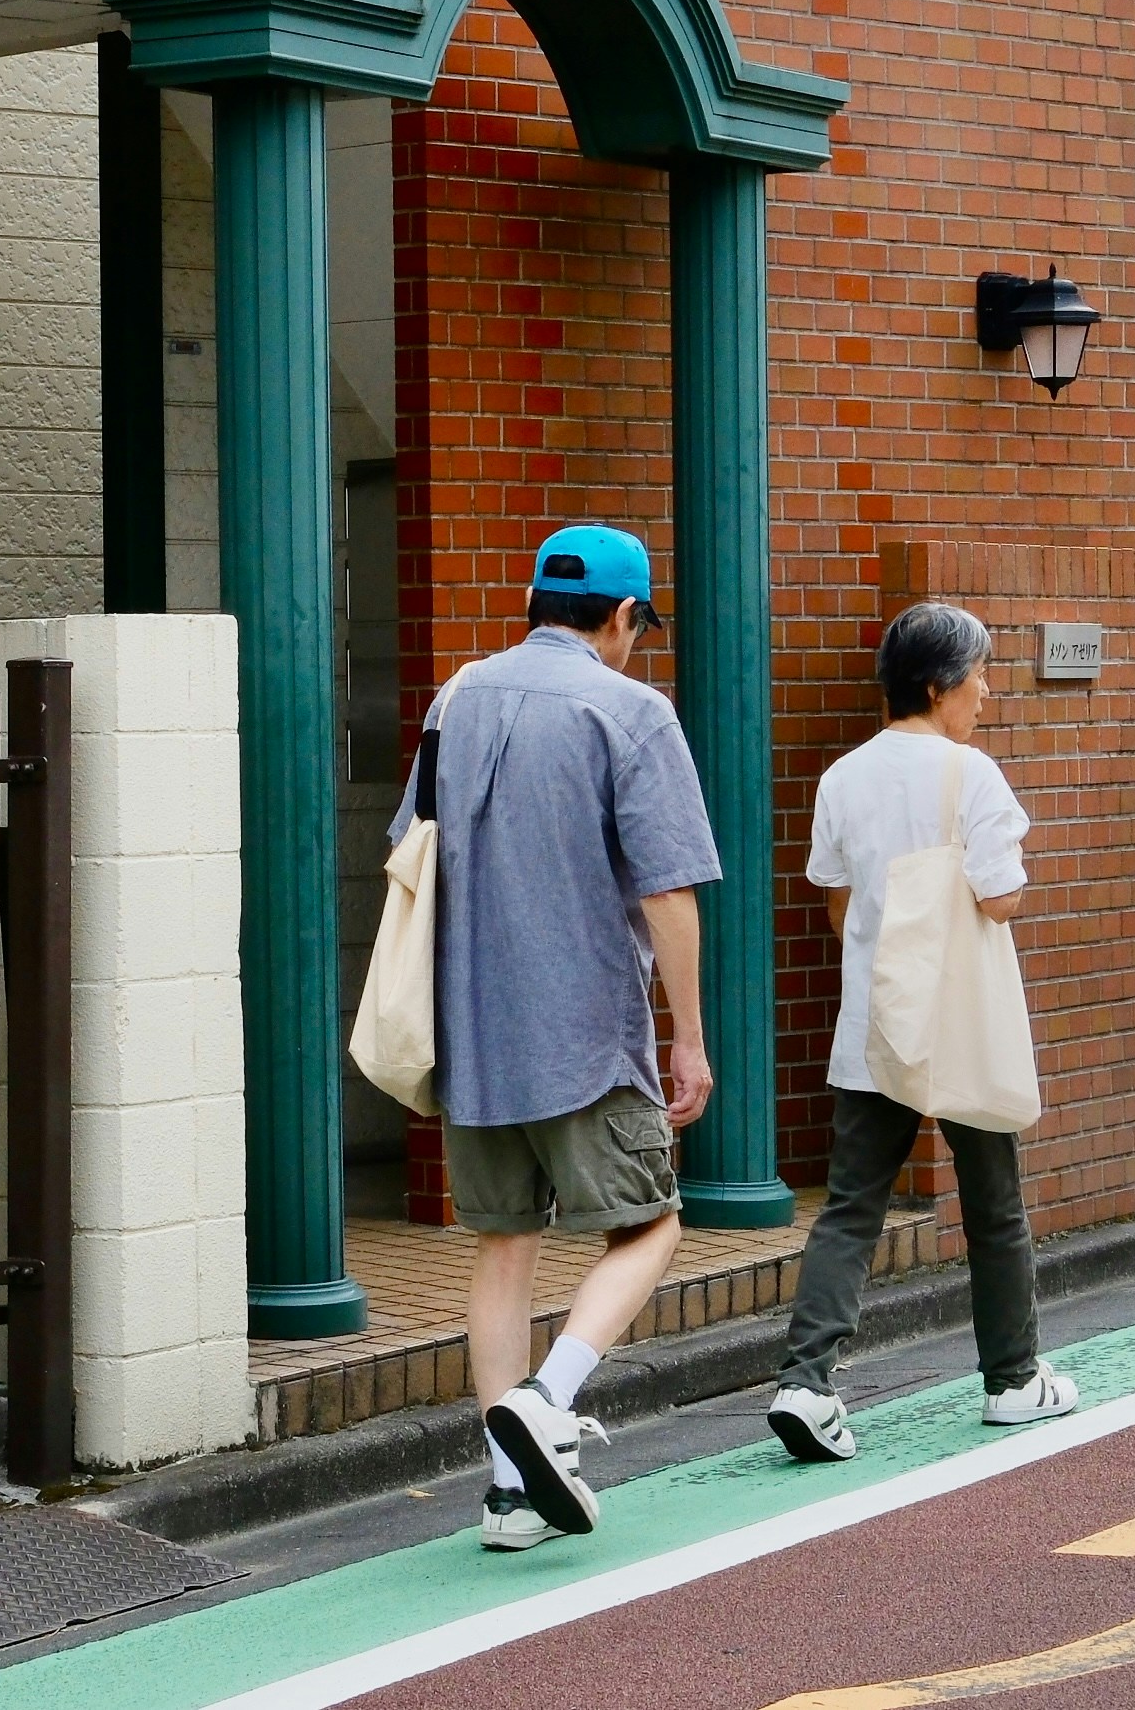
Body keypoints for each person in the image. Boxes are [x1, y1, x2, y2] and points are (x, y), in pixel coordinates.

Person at [393, 523, 722, 1551]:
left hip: (471, 1026)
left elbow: (408, 848)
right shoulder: (632, 710)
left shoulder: (455, 699)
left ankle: (504, 1494)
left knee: (503, 1246)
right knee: (652, 1223)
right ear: (623, 617)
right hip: (584, 1024)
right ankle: (550, 1398)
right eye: (640, 628)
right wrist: (689, 1038)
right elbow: (666, 891)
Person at [767, 601, 1076, 1462]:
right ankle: (1014, 1379)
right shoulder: (971, 775)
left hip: (875, 1021)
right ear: (939, 686)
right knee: (993, 1204)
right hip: (961, 1020)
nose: (988, 688)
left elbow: (836, 897)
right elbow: (1001, 896)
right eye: (978, 672)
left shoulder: (842, 777)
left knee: (851, 1207)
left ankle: (805, 1379)